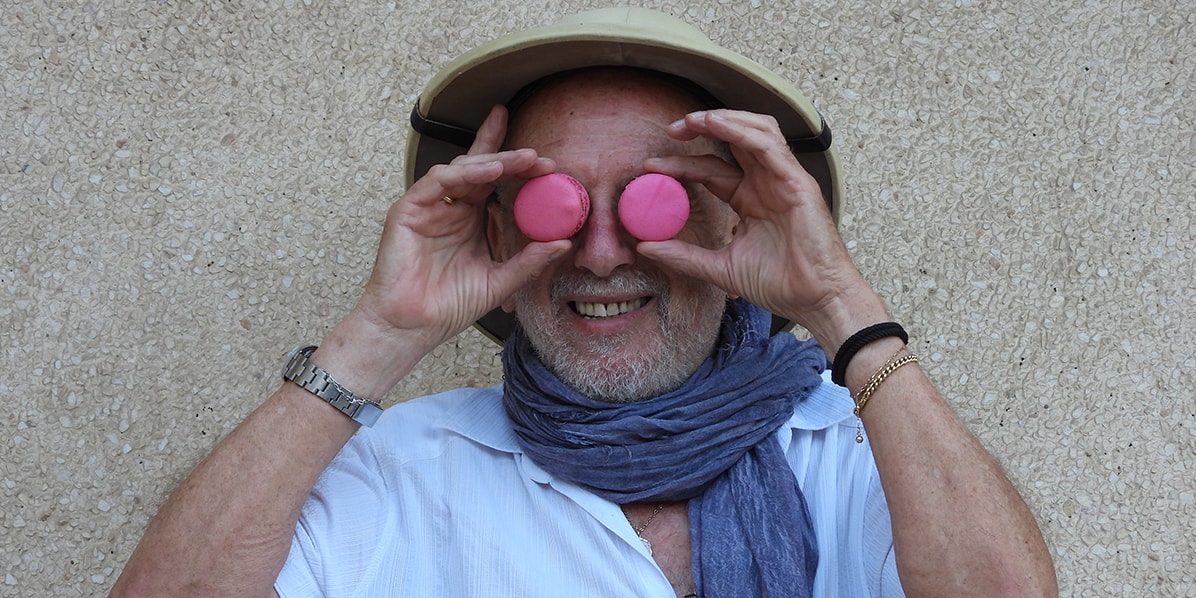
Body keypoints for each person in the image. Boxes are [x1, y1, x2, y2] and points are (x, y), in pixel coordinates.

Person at [111, 8, 1056, 597]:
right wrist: (377, 336)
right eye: (549, 202)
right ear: (495, 232)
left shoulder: (858, 458)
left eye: (661, 200)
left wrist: (839, 301)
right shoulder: (402, 473)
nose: (601, 252)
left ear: (737, 227)